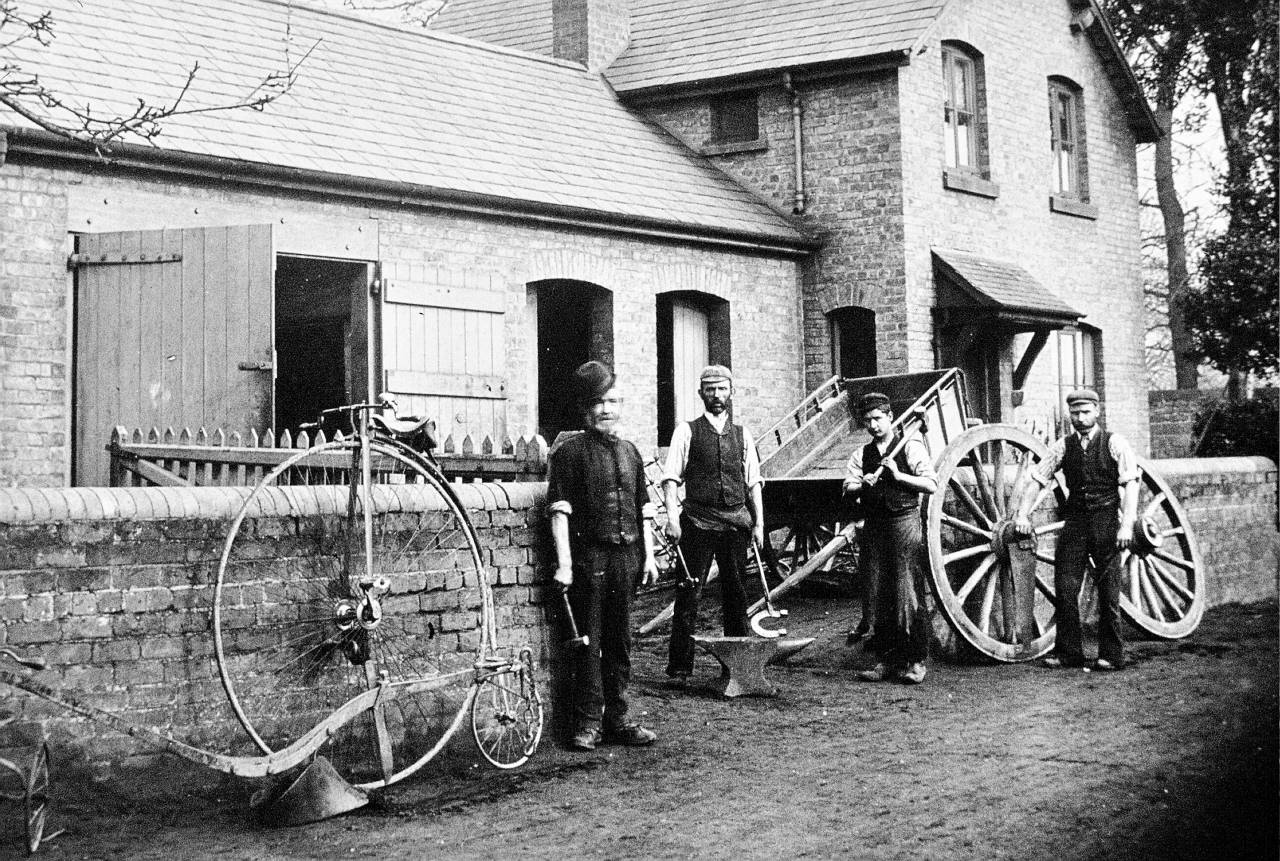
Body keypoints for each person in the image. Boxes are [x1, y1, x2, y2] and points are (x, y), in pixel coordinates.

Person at [548, 361, 660, 750]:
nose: (607, 409)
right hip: (590, 560)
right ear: (585, 409)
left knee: (621, 641)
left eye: (613, 401)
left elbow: (643, 509)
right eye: (598, 402)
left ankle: (619, 718)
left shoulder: (631, 453)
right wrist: (564, 564)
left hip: (627, 558)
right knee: (589, 643)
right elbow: (560, 512)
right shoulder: (569, 453)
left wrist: (648, 556)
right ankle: (588, 724)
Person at [1012, 389, 1139, 671]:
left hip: (1107, 522)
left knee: (1109, 592)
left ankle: (1111, 655)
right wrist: (1022, 514)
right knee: (1065, 588)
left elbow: (1131, 484)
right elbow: (1037, 479)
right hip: (1076, 523)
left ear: (1097, 412)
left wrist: (1127, 524)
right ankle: (1069, 653)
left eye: (1085, 412)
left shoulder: (1114, 443)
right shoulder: (1062, 446)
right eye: (1075, 413)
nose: (1080, 418)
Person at [662, 365, 766, 686]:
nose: (717, 395)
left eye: (722, 389)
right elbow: (669, 480)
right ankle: (680, 669)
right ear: (701, 394)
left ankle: (735, 668)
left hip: (736, 524)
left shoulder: (742, 435)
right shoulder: (687, 431)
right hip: (697, 523)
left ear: (731, 392)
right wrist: (670, 518)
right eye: (710, 390)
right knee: (689, 593)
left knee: (736, 594)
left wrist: (759, 523)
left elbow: (753, 483)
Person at [842, 392, 937, 684]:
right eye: (867, 420)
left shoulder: (910, 446)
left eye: (878, 418)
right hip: (875, 526)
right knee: (878, 591)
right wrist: (861, 485)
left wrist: (898, 477)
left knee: (906, 590)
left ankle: (916, 660)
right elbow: (848, 485)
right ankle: (886, 660)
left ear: (890, 418)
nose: (872, 425)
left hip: (903, 523)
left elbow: (930, 483)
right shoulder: (862, 455)